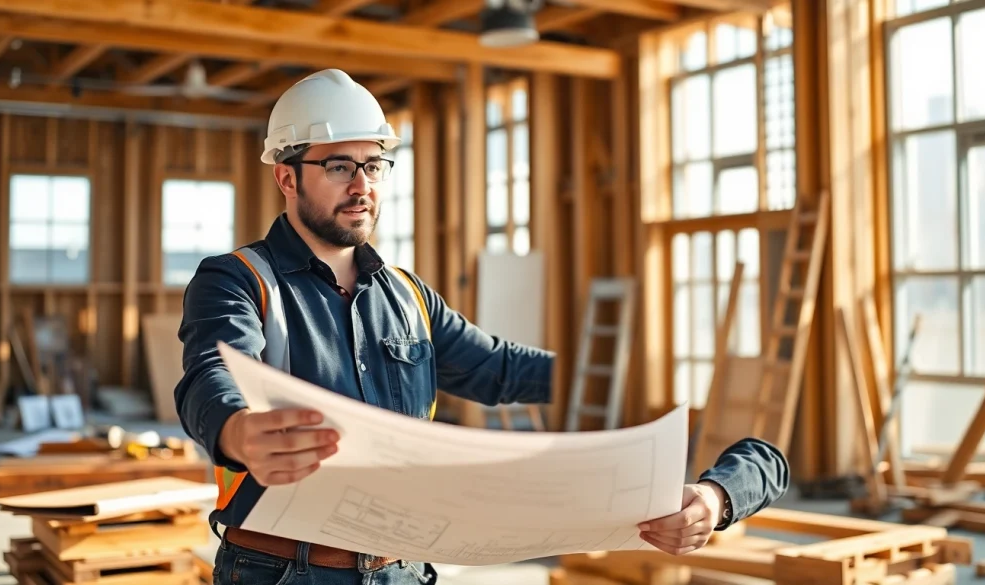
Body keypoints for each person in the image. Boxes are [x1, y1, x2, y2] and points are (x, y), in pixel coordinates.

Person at [174, 69, 790, 585]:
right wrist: (240, 431)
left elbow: (505, 370)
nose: (362, 185)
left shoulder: (409, 297)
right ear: (287, 176)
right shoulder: (236, 280)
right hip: (282, 571)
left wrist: (694, 470)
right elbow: (209, 378)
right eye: (339, 165)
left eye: (375, 164)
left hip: (403, 569)